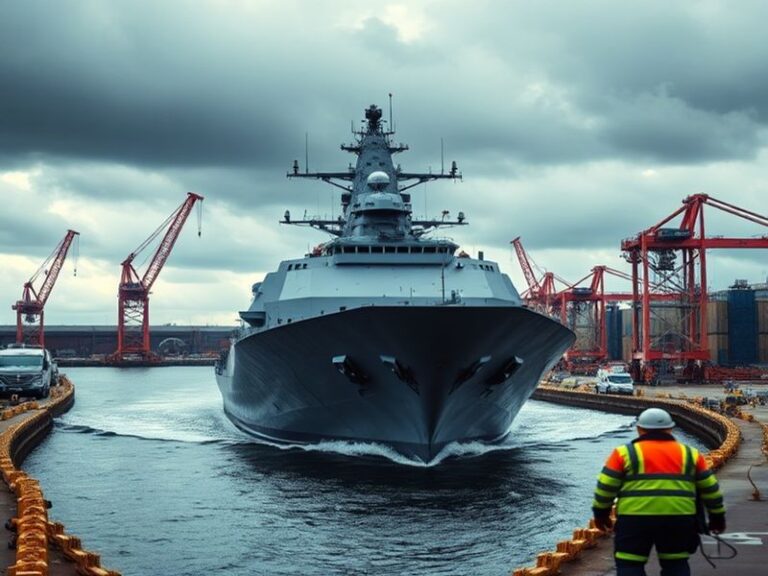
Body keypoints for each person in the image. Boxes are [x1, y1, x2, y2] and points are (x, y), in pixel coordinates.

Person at [592, 408, 726, 576]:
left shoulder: (624, 454)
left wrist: (601, 514)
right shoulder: (691, 454)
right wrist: (717, 517)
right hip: (678, 518)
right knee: (676, 564)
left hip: (634, 519)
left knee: (630, 564)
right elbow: (710, 489)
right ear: (670, 429)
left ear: (639, 429)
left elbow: (605, 487)